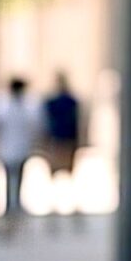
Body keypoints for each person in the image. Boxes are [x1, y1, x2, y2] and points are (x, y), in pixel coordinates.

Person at [0, 76, 44, 234]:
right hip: (10, 148)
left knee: (14, 178)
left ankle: (13, 207)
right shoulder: (7, 104)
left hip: (16, 148)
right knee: (13, 178)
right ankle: (12, 208)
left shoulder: (18, 105)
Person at [43, 69, 84, 227]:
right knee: (64, 176)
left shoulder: (58, 102)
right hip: (63, 140)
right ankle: (62, 211)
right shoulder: (65, 101)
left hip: (61, 140)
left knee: (61, 176)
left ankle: (61, 211)